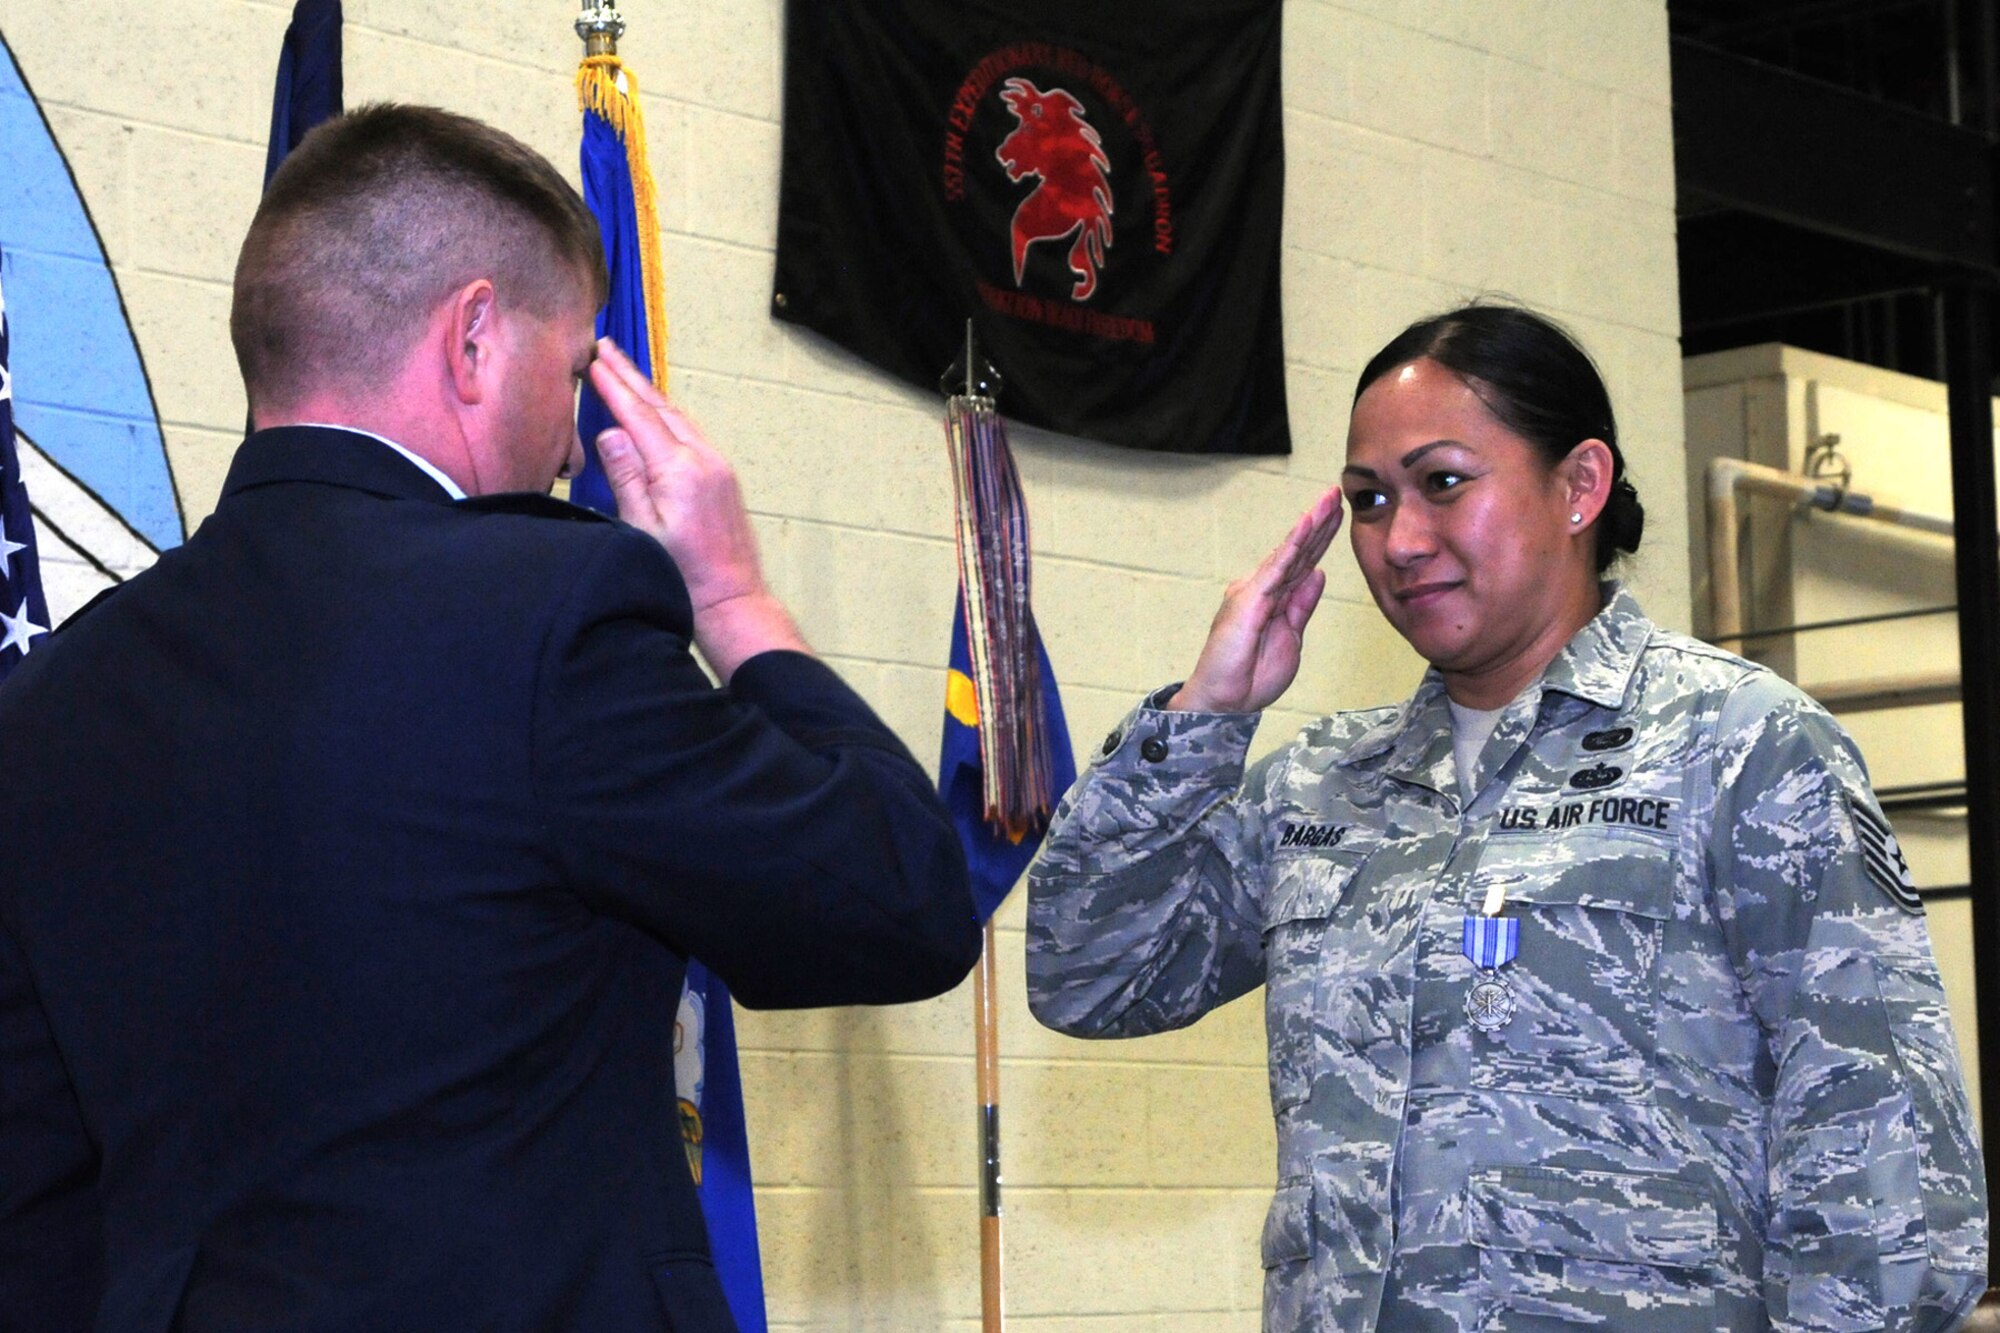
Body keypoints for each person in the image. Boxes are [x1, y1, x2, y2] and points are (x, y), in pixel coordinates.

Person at [0, 104, 979, 1331]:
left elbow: (31, 1204)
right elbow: (899, 902)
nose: (575, 443)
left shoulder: (48, 700)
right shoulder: (550, 614)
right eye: (572, 370)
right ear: (471, 338)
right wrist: (732, 597)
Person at [1027, 303, 1987, 1331]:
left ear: (1578, 485)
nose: (1398, 539)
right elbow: (1090, 975)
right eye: (1367, 499)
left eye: (1442, 482)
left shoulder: (1742, 746)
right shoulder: (1322, 783)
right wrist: (1204, 718)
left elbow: (1883, 1163)